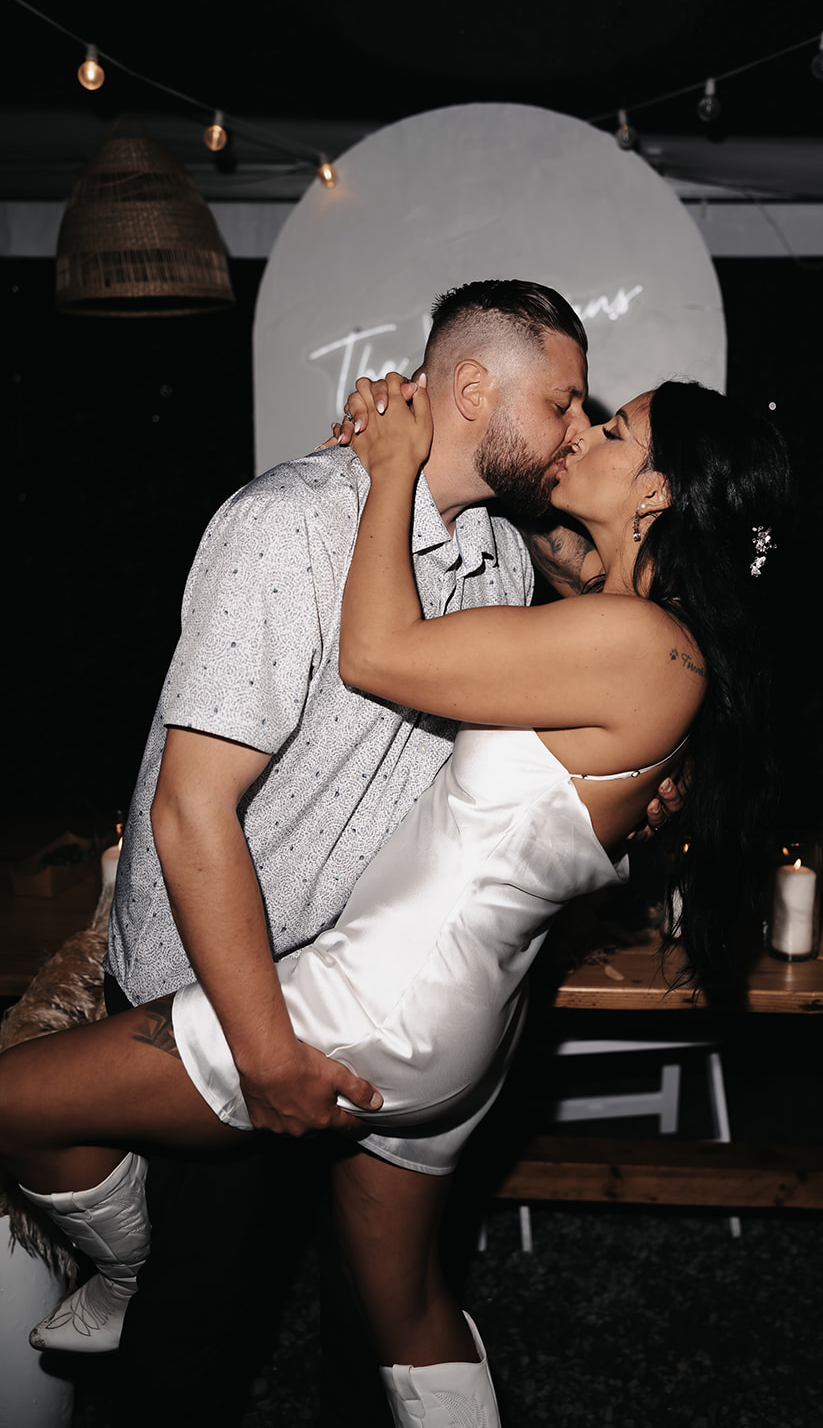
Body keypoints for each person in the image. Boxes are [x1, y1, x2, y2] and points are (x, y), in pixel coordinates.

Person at [0, 372, 790, 1428]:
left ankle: (126, 1263)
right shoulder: (644, 631)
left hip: (375, 1004)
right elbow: (555, 583)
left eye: (613, 427)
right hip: (456, 1028)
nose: (587, 432)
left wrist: (389, 470)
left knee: (14, 1102)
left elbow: (377, 653)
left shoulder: (642, 645)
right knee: (409, 1314)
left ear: (652, 494)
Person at [84, 278, 594, 1427]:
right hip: (220, 1000)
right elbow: (188, 812)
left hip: (357, 1005)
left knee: (368, 1341)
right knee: (190, 1340)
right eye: (560, 401)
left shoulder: (503, 565)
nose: (573, 425)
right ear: (470, 388)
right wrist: (262, 1051)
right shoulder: (288, 524)